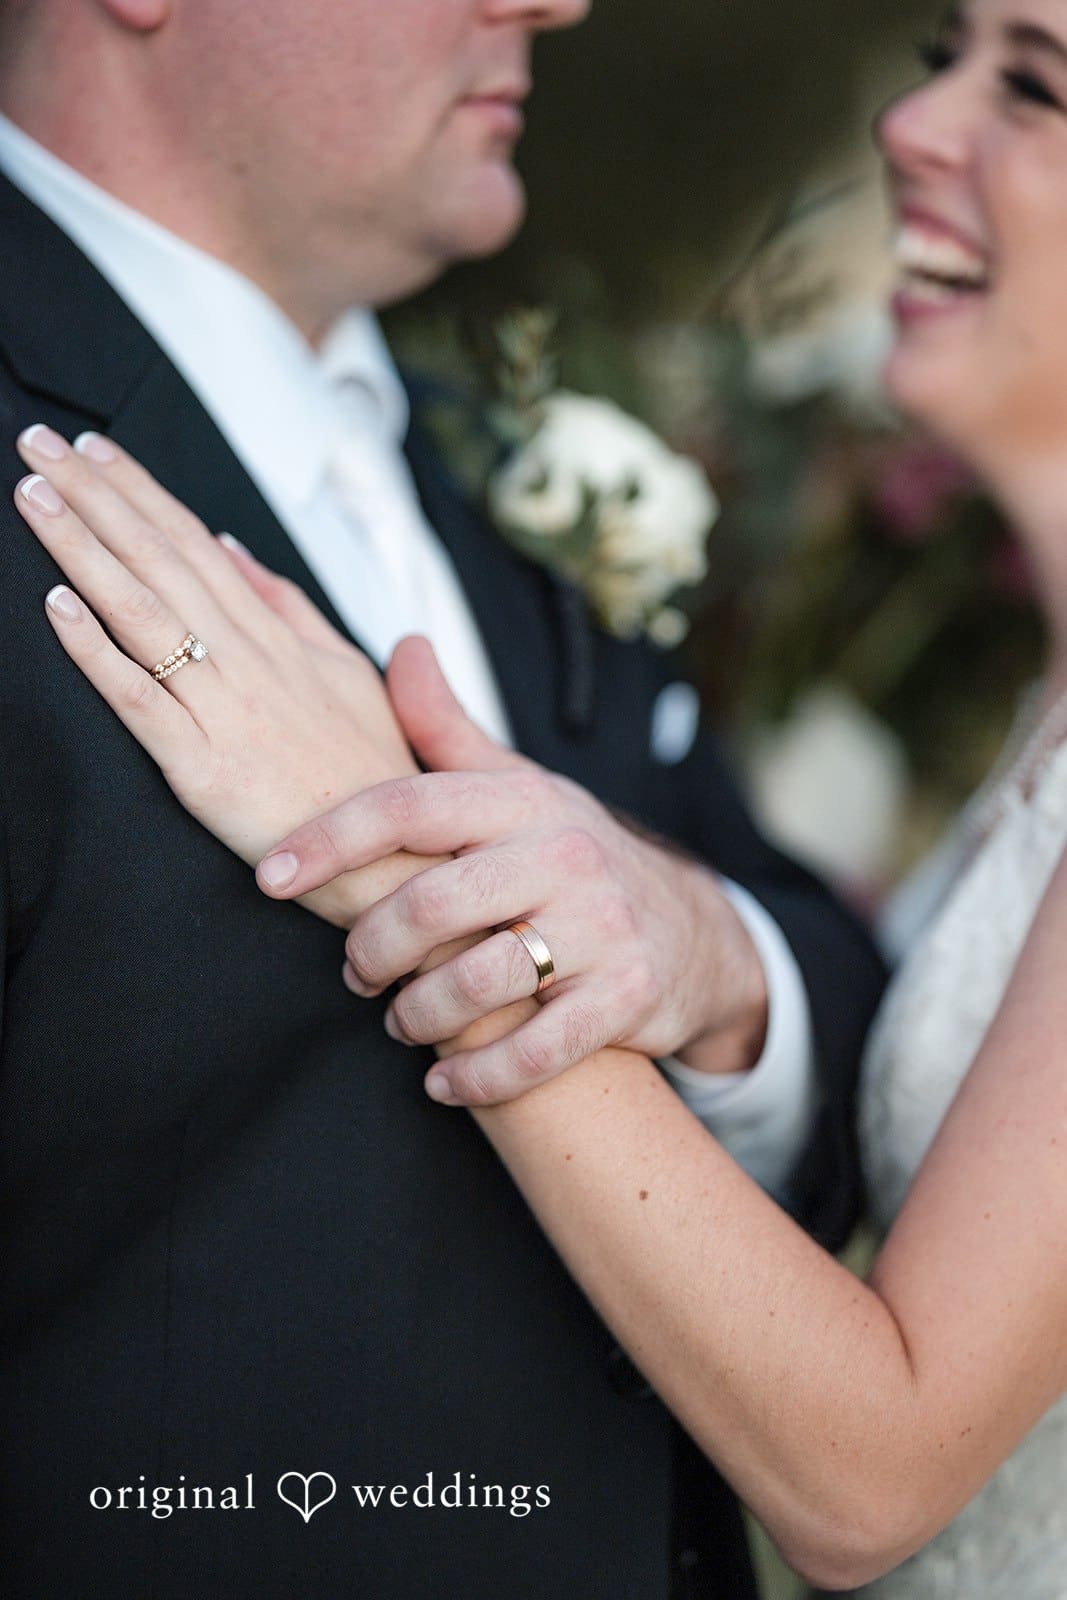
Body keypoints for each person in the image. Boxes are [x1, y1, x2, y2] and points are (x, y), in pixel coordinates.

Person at [15, 0, 1067, 1592]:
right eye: (947, 67)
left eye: (1039, 89)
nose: (557, 0)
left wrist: (685, 941)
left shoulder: (475, 468)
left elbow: (873, 1421)